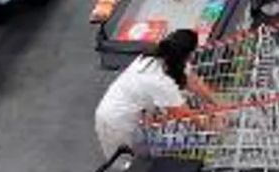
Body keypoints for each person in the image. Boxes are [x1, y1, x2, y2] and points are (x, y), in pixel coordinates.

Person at [94, 29, 221, 157]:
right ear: (187, 54)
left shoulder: (159, 56)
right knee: (126, 156)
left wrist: (217, 103)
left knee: (144, 144)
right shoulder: (160, 82)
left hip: (129, 109)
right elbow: (185, 115)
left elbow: (193, 81)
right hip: (115, 119)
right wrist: (214, 127)